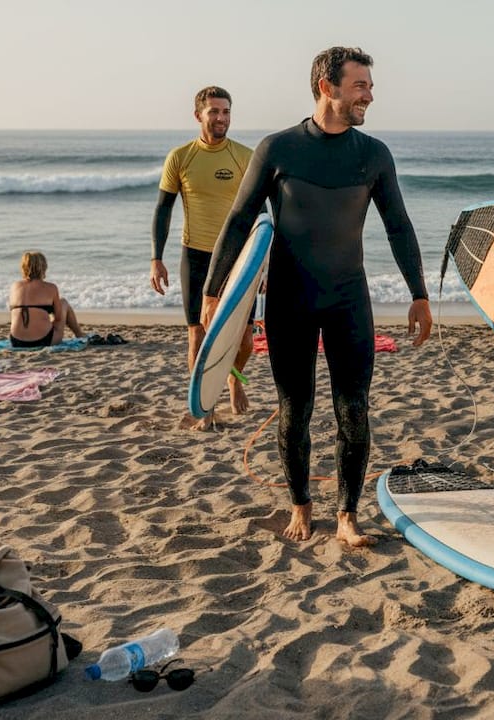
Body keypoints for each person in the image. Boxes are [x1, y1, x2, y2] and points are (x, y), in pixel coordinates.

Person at [202, 47, 432, 547]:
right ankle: (302, 505)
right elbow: (240, 220)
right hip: (290, 298)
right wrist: (213, 292)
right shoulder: (278, 149)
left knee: (355, 410)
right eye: (360, 85)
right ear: (327, 87)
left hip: (349, 297)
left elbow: (398, 225)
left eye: (369, 85)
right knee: (295, 409)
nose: (369, 94)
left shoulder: (373, 154)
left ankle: (347, 514)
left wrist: (419, 292)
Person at [151, 86, 255, 417]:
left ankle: (233, 380)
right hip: (195, 254)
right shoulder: (181, 157)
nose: (221, 118)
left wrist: (264, 261)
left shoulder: (244, 156)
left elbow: (262, 210)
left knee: (245, 339)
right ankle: (202, 403)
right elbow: (163, 209)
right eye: (214, 111)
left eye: (226, 111)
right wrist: (157, 258)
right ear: (199, 115)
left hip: (238, 258)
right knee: (197, 332)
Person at [9, 251, 83, 347]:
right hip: (44, 340)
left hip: (16, 341)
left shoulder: (15, 286)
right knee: (63, 302)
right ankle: (79, 334)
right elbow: (58, 318)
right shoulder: (51, 288)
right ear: (43, 267)